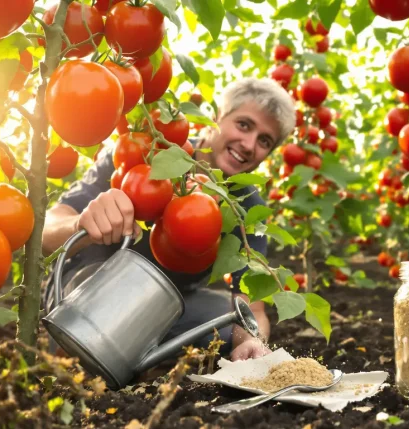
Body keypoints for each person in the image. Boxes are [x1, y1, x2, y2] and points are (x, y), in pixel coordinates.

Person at [41, 77, 297, 362]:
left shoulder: (247, 209)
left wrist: (251, 341)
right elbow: (45, 232)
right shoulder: (142, 153)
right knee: (99, 317)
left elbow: (252, 308)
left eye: (265, 141)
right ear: (216, 118)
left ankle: (141, 358)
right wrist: (81, 226)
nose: (249, 145)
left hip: (165, 305)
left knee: (226, 321)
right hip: (88, 291)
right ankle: (101, 358)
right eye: (244, 125)